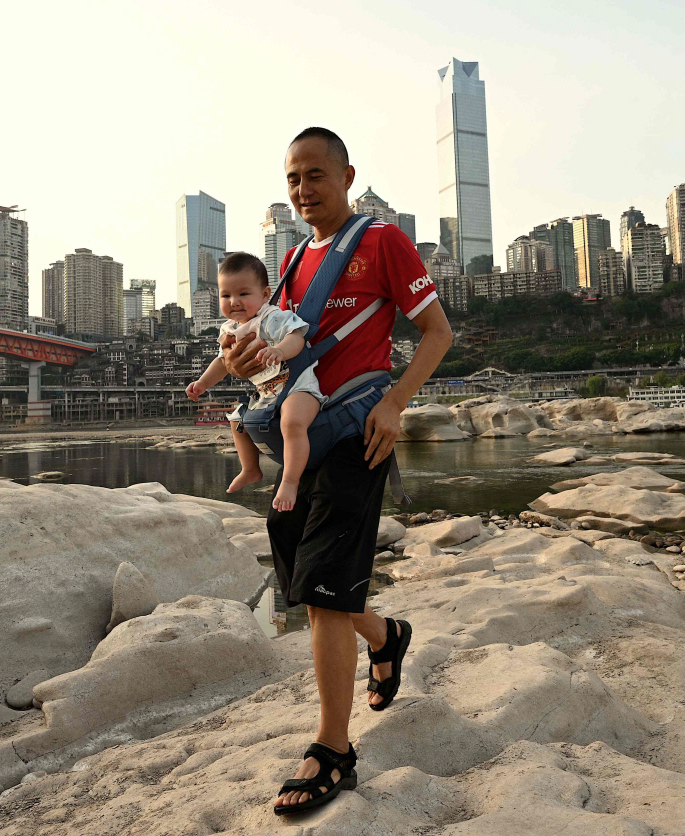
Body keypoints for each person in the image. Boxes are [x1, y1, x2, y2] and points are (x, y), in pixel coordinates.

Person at [220, 127, 452, 815]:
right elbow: (278, 351)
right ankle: (387, 636)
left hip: (357, 433)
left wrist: (395, 404)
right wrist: (240, 364)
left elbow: (436, 331)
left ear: (347, 175)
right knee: (306, 578)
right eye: (293, 178)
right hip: (300, 437)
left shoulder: (381, 242)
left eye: (315, 175)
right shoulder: (289, 264)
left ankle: (333, 750)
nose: (303, 189)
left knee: (321, 588)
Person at [185, 252, 325, 512]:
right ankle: (250, 469)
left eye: (243, 294)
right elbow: (222, 362)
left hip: (298, 386)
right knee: (238, 420)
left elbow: (297, 336)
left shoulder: (272, 317)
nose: (234, 302)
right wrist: (202, 383)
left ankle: (290, 481)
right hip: (267, 392)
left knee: (292, 422)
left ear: (265, 294)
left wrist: (281, 351)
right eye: (226, 296)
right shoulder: (228, 330)